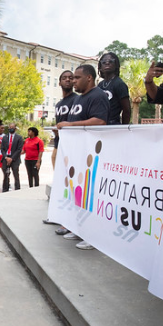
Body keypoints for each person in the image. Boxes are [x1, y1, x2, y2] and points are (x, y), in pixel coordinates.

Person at [57, 64, 109, 249]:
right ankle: (79, 229)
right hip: (77, 155)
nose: (73, 81)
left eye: (77, 78)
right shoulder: (80, 98)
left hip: (91, 155)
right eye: (72, 78)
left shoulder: (98, 96)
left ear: (89, 78)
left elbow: (100, 120)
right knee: (78, 194)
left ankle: (93, 236)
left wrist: (70, 126)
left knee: (91, 195)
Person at [97, 53, 131, 125]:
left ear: (116, 65)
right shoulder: (100, 85)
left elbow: (126, 110)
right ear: (100, 66)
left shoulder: (119, 84)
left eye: (110, 61)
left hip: (113, 125)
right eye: (104, 62)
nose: (107, 63)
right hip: (99, 125)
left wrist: (124, 128)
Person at [0, 122, 23, 192]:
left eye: (12, 128)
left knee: (16, 174)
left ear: (15, 129)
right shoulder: (4, 137)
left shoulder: (19, 138)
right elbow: (2, 149)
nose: (11, 129)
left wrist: (12, 158)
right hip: (6, 158)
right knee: (6, 175)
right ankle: (5, 189)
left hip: (15, 159)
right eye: (10, 128)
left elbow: (19, 149)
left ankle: (17, 189)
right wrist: (6, 157)